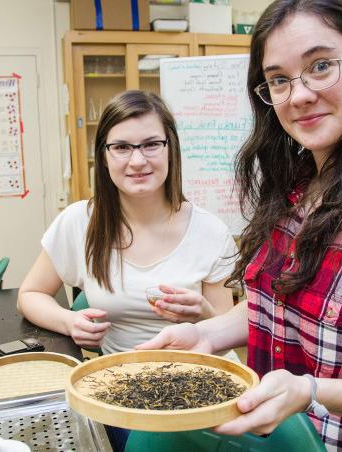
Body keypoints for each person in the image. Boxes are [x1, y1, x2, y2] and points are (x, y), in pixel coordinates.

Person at [137, 1, 342, 450]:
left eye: (321, 66)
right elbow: (274, 310)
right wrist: (205, 334)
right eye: (279, 80)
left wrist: (311, 390)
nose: (299, 95)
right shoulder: (290, 193)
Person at [17, 90, 237, 450]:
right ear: (104, 156)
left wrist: (203, 314)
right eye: (121, 147)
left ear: (170, 149)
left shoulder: (210, 231)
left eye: (151, 144)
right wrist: (69, 322)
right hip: (120, 388)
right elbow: (30, 295)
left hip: (200, 387)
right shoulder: (80, 222)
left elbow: (228, 327)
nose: (137, 160)